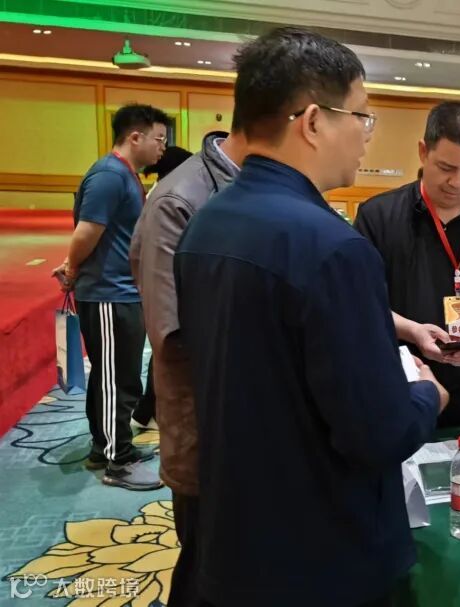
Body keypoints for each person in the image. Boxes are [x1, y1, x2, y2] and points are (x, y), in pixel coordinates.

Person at [174, 28, 448, 606]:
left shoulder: (206, 223)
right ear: (315, 122)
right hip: (322, 553)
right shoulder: (333, 247)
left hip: (236, 531)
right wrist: (426, 395)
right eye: (362, 116)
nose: (367, 135)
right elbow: (376, 433)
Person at [130, 126, 246, 605]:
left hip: (257, 430)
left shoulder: (259, 188)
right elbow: (174, 336)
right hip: (205, 432)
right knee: (206, 570)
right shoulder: (179, 199)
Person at [354, 101, 460, 428]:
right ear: (423, 152)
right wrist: (414, 331)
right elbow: (361, 302)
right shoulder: (379, 216)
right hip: (403, 382)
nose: (457, 182)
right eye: (446, 168)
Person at [52, 103, 167, 491]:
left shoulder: (124, 175)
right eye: (159, 139)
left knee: (119, 377)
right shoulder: (109, 176)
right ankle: (118, 461)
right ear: (135, 137)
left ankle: (108, 448)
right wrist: (71, 269)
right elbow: (87, 232)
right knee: (115, 379)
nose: (162, 147)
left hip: (122, 292)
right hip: (108, 294)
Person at [132, 145, 194, 430]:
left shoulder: (161, 192)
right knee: (166, 350)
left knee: (162, 351)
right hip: (165, 287)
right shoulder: (169, 199)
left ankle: (146, 411)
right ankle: (148, 412)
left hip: (159, 286)